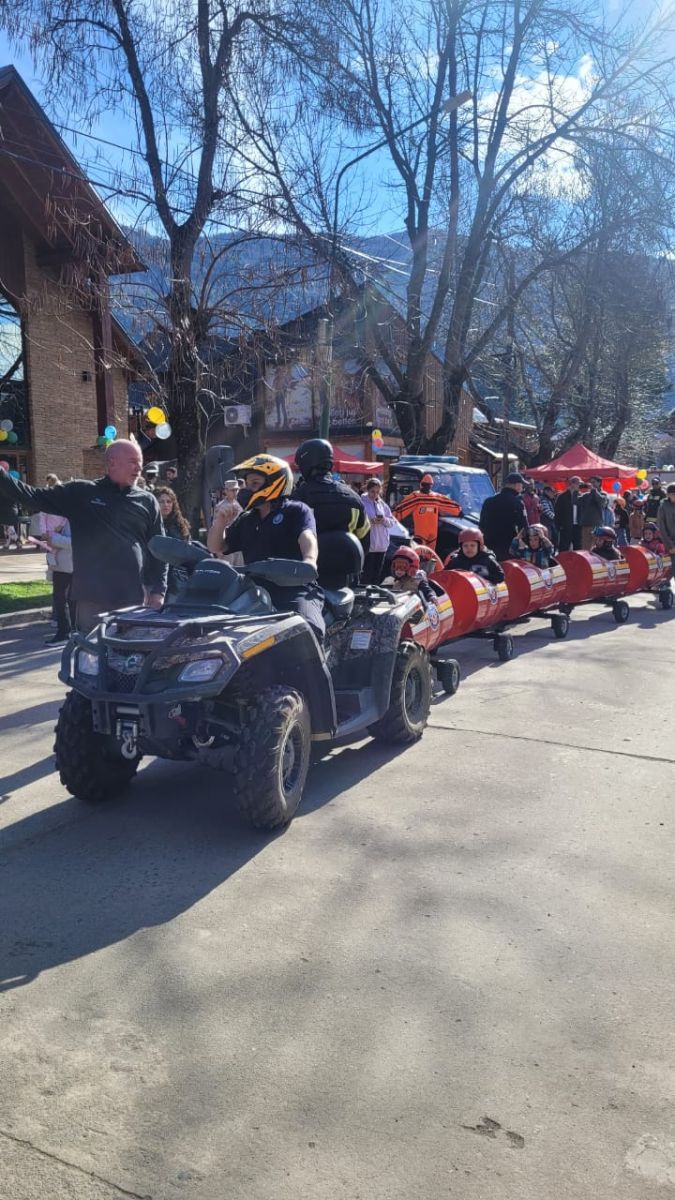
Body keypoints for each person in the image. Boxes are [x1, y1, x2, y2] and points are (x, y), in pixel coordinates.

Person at [0, 440, 167, 633]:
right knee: (91, 658)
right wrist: (2, 477)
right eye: (132, 462)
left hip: (133, 597)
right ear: (112, 463)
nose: (139, 468)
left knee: (132, 657)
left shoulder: (147, 501)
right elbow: (33, 496)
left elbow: (160, 550)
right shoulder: (81, 493)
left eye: (140, 462)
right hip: (92, 598)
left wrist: (158, 591)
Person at [206, 453, 324, 641]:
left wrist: (309, 561)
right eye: (246, 484)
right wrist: (219, 521)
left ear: (274, 482)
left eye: (254, 483)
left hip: (293, 588)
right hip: (253, 591)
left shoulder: (296, 510)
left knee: (308, 630)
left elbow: (307, 537)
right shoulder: (247, 519)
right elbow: (216, 546)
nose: (247, 489)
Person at [292, 438, 370, 550]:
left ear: (306, 465)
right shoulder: (354, 499)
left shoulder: (297, 499)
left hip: (309, 566)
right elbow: (364, 542)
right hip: (346, 566)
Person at [393, 472, 461, 551]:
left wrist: (458, 511)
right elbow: (403, 507)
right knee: (420, 553)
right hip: (420, 534)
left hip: (433, 534)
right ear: (421, 484)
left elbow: (447, 503)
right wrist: (392, 517)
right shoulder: (416, 497)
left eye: (429, 485)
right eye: (425, 485)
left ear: (431, 486)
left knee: (431, 555)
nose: (427, 487)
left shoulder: (435, 497)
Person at [478, 471, 528, 561]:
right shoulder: (517, 502)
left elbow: (481, 525)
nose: (522, 487)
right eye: (521, 484)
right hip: (509, 547)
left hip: (489, 546)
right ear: (516, 485)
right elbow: (523, 527)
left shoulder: (488, 501)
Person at [155, 487, 191, 600]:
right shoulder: (151, 524)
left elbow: (187, 550)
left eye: (169, 501)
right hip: (156, 577)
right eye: (161, 501)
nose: (166, 505)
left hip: (177, 578)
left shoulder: (181, 524)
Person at [44, 519, 75, 644]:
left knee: (69, 600)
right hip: (59, 565)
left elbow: (76, 541)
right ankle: (66, 631)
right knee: (60, 599)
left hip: (69, 566)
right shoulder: (59, 518)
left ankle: (67, 632)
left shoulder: (74, 518)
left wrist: (53, 538)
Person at [361, 477, 395, 584]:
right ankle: (363, 596)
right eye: (372, 491)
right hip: (369, 545)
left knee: (377, 574)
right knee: (367, 574)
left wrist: (383, 520)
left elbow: (392, 522)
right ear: (367, 490)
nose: (375, 494)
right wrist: (370, 522)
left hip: (381, 545)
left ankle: (374, 595)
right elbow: (359, 521)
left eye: (377, 492)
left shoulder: (382, 504)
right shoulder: (362, 503)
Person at [554, 475, 582, 551]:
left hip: (577, 526)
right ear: (572, 484)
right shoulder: (562, 496)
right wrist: (559, 525)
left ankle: (577, 563)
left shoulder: (580, 496)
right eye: (578, 484)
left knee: (578, 548)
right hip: (565, 526)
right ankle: (562, 562)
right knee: (564, 547)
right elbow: (557, 512)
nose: (579, 486)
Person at [579, 476, 605, 550]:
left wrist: (594, 490)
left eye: (594, 482)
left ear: (599, 483)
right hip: (586, 525)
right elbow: (575, 502)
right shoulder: (586, 495)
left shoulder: (603, 494)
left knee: (597, 547)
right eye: (591, 482)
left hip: (597, 525)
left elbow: (601, 501)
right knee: (586, 548)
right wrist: (576, 490)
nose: (591, 484)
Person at [657, 484, 675, 577]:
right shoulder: (663, 507)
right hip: (671, 545)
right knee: (671, 570)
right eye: (673, 494)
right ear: (668, 495)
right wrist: (670, 545)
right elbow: (662, 528)